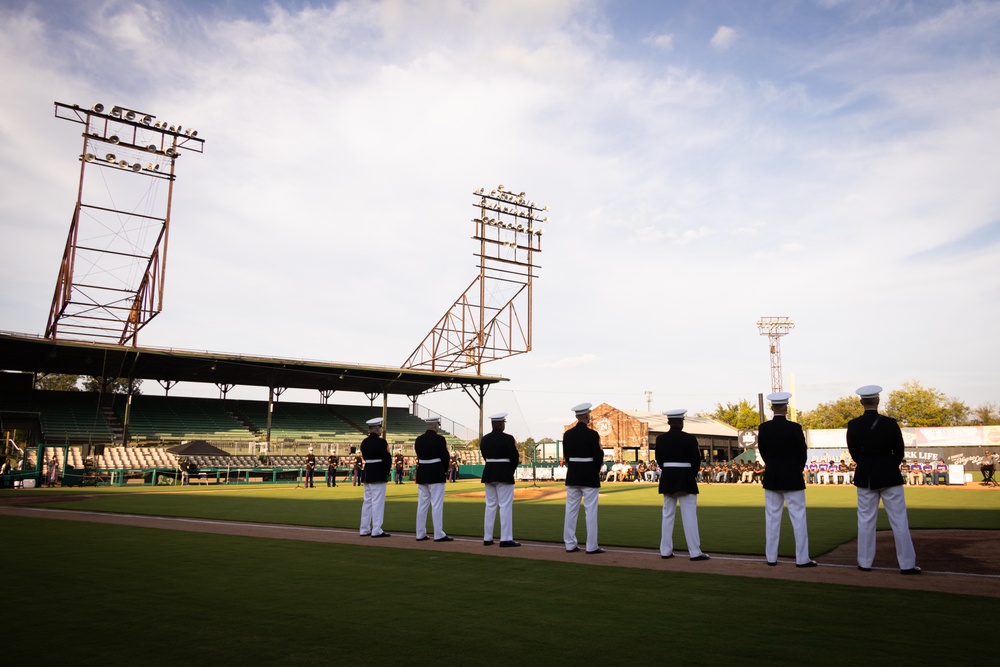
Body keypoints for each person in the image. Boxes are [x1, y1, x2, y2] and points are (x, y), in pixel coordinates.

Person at [847, 385, 920, 574]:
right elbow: (899, 451)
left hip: (865, 476)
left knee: (865, 521)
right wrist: (888, 465)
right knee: (899, 521)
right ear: (877, 401)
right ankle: (907, 565)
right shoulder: (890, 423)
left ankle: (864, 563)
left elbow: (855, 453)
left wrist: (866, 464)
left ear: (861, 402)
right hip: (889, 475)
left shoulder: (853, 425)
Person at [758, 392, 816, 568]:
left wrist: (774, 466)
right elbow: (802, 453)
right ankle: (802, 558)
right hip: (792, 476)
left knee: (772, 518)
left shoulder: (764, 428)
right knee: (798, 518)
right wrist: (795, 469)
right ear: (786, 407)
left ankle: (771, 557)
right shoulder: (794, 428)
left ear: (772, 407)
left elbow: (763, 452)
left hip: (773, 476)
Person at [655, 409, 709, 561]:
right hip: (686, 477)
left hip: (668, 477)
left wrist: (669, 471)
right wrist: (690, 475)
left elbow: (660, 460)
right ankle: (695, 552)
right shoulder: (690, 438)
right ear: (681, 422)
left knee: (667, 515)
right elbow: (696, 461)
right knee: (689, 515)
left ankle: (665, 551)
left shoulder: (660, 439)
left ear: (669, 422)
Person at [562, 403, 605, 554]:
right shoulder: (593, 435)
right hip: (589, 475)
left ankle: (569, 544)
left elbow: (566, 456)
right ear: (587, 416)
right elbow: (598, 456)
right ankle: (591, 546)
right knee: (591, 511)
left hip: (573, 473)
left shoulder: (567, 434)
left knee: (571, 510)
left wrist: (573, 467)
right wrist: (595, 470)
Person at [480, 412, 520, 547]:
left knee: (490, 506)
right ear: (501, 424)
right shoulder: (508, 438)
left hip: (489, 472)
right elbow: (514, 458)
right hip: (504, 473)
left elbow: (485, 456)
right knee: (505, 506)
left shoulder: (485, 439)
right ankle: (505, 538)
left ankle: (487, 537)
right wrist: (510, 470)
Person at [414, 416, 452, 542]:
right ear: (436, 426)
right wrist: (445, 470)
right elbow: (445, 457)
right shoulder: (440, 439)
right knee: (436, 505)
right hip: (436, 473)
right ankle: (438, 533)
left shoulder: (418, 440)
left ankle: (420, 533)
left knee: (422, 505)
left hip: (423, 473)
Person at [359, 417, 392, 538]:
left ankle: (364, 528)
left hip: (368, 472)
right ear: (377, 428)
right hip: (378, 472)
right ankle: (376, 529)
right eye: (380, 428)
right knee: (377, 502)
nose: (381, 430)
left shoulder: (364, 442)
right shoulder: (381, 442)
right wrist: (386, 470)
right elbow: (387, 458)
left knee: (367, 501)